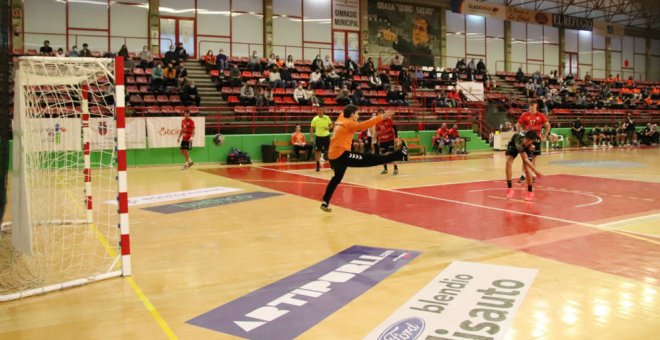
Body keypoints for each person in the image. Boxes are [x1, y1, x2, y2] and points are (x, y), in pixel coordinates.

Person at [320, 105, 408, 212]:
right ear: (352, 115)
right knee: (370, 159)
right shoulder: (349, 124)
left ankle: (325, 201)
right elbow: (363, 126)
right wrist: (382, 117)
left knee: (336, 178)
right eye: (357, 114)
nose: (358, 115)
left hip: (333, 155)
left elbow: (346, 110)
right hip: (341, 155)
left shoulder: (341, 118)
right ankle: (400, 155)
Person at [516, 101, 550, 183]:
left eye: (533, 105)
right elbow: (518, 124)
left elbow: (548, 126)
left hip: (537, 138)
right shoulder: (525, 115)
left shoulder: (541, 115)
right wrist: (519, 134)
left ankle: (533, 175)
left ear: (536, 106)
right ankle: (523, 175)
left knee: (534, 157)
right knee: (525, 157)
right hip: (527, 138)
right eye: (530, 105)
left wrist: (544, 136)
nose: (531, 107)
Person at [505, 130, 543, 201]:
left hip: (528, 147)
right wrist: (535, 171)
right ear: (525, 137)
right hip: (514, 144)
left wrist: (534, 171)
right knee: (508, 162)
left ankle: (530, 191)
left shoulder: (537, 141)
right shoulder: (519, 140)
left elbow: (527, 160)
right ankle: (509, 188)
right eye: (527, 139)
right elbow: (525, 159)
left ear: (533, 141)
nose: (527, 142)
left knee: (526, 167)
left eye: (529, 141)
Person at [375, 109, 399, 175]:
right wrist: (377, 140)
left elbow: (395, 128)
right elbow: (377, 132)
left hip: (390, 140)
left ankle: (395, 168)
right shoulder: (377, 122)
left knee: (391, 154)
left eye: (381, 113)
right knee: (383, 156)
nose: (380, 114)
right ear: (377, 114)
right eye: (379, 113)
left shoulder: (389, 120)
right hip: (382, 141)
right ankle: (385, 170)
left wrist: (396, 137)